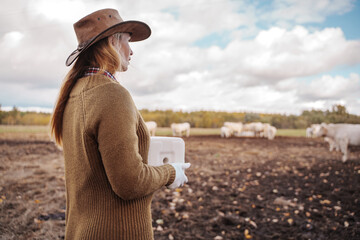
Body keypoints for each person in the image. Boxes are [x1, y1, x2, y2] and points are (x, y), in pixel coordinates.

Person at [50, 8, 190, 240]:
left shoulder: (74, 93)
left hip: (82, 231)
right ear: (113, 42)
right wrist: (170, 172)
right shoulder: (112, 95)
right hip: (116, 232)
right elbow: (129, 183)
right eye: (127, 40)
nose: (131, 50)